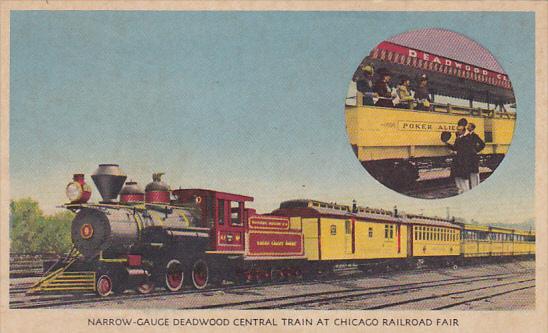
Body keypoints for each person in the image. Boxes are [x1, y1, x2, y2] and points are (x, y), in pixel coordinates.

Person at [444, 125, 473, 194]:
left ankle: (466, 190)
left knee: (463, 177)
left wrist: (456, 152)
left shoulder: (466, 139)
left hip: (463, 160)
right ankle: (460, 189)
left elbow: (467, 150)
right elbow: (455, 148)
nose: (458, 131)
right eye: (458, 129)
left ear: (463, 131)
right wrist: (447, 144)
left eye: (460, 130)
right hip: (457, 160)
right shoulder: (458, 139)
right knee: (457, 176)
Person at [466, 122, 486, 188]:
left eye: (469, 126)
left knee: (475, 172)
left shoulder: (475, 135)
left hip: (474, 156)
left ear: (472, 128)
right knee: (470, 171)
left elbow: (483, 144)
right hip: (468, 156)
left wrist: (476, 150)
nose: (467, 127)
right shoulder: (467, 135)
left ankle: (476, 186)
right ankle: (472, 186)